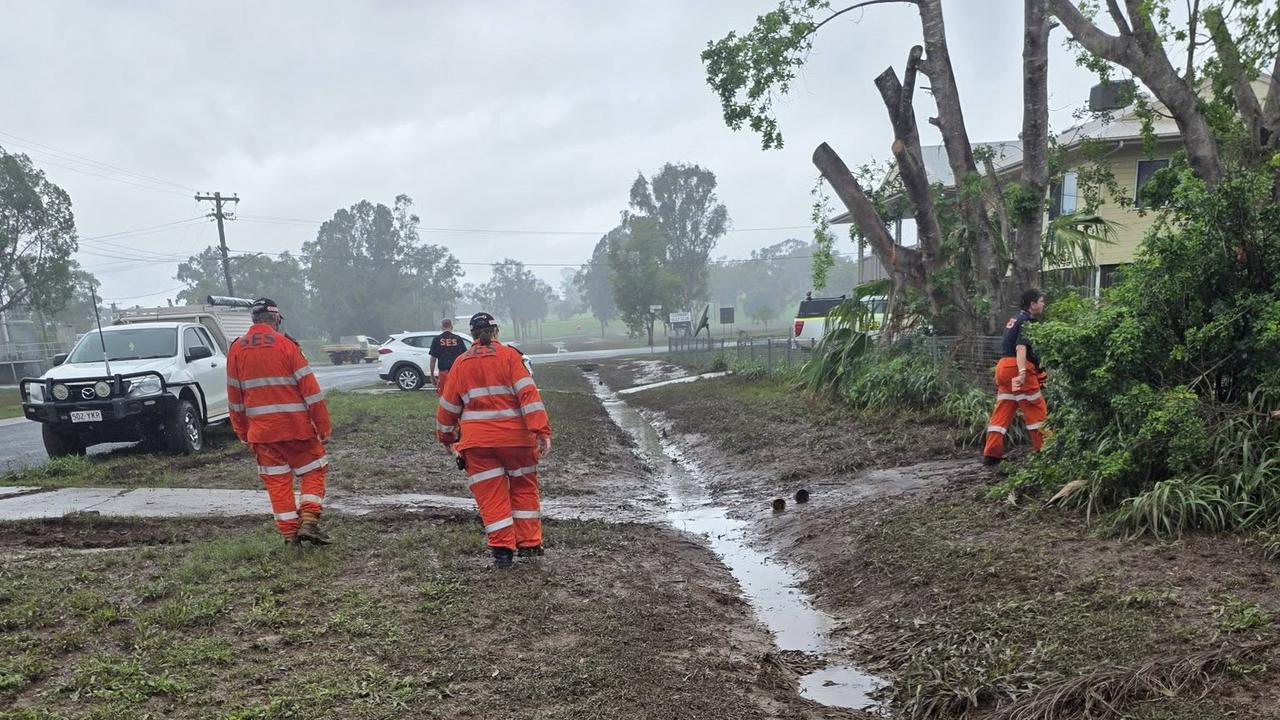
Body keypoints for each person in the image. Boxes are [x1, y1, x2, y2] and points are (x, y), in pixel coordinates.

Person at [435, 312, 552, 568]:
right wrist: (541, 431)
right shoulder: (512, 357)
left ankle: (502, 552)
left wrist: (446, 437)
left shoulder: (461, 363)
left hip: (478, 445)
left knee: (491, 495)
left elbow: (448, 406)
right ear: (496, 331)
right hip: (517, 440)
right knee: (523, 488)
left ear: (472, 336)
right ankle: (530, 545)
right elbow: (528, 395)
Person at [227, 298, 332, 545]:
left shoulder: (236, 351)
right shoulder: (287, 345)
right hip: (296, 429)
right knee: (314, 470)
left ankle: (289, 535)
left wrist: (242, 431)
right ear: (275, 319)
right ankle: (308, 520)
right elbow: (311, 391)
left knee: (277, 482)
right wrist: (323, 426)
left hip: (261, 433)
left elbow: (234, 398)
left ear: (253, 320)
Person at [983, 289, 1049, 465]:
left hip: (1003, 367)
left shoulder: (1015, 319)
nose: (1043, 304)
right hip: (1017, 367)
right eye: (1041, 301)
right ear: (1033, 304)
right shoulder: (1028, 322)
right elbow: (1021, 348)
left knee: (1003, 409)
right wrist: (1022, 373)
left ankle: (991, 455)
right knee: (1036, 408)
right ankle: (1045, 451)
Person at [428, 318, 466, 392]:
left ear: (442, 327)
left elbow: (433, 359)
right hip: (456, 373)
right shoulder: (458, 339)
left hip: (443, 373)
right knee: (457, 394)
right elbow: (464, 357)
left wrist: (432, 375)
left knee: (445, 395)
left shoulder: (437, 339)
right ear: (451, 326)